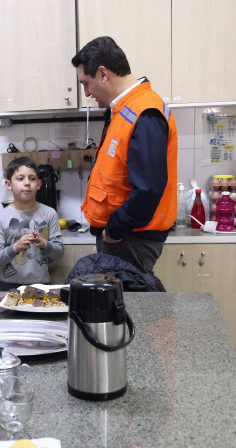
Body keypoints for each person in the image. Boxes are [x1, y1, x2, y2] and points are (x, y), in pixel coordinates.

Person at [72, 36, 177, 273]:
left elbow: (148, 189)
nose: (87, 93)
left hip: (129, 239)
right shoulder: (124, 110)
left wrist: (113, 231)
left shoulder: (144, 112)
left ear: (103, 74)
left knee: (129, 308)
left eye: (86, 83)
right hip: (124, 238)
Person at [0, 157, 64, 291]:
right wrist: (15, 247)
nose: (27, 183)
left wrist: (44, 244)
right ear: (8, 184)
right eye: (20, 178)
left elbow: (59, 253)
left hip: (41, 285)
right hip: (9, 286)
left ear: (39, 184)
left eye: (32, 178)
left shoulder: (50, 213)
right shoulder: (0, 218)